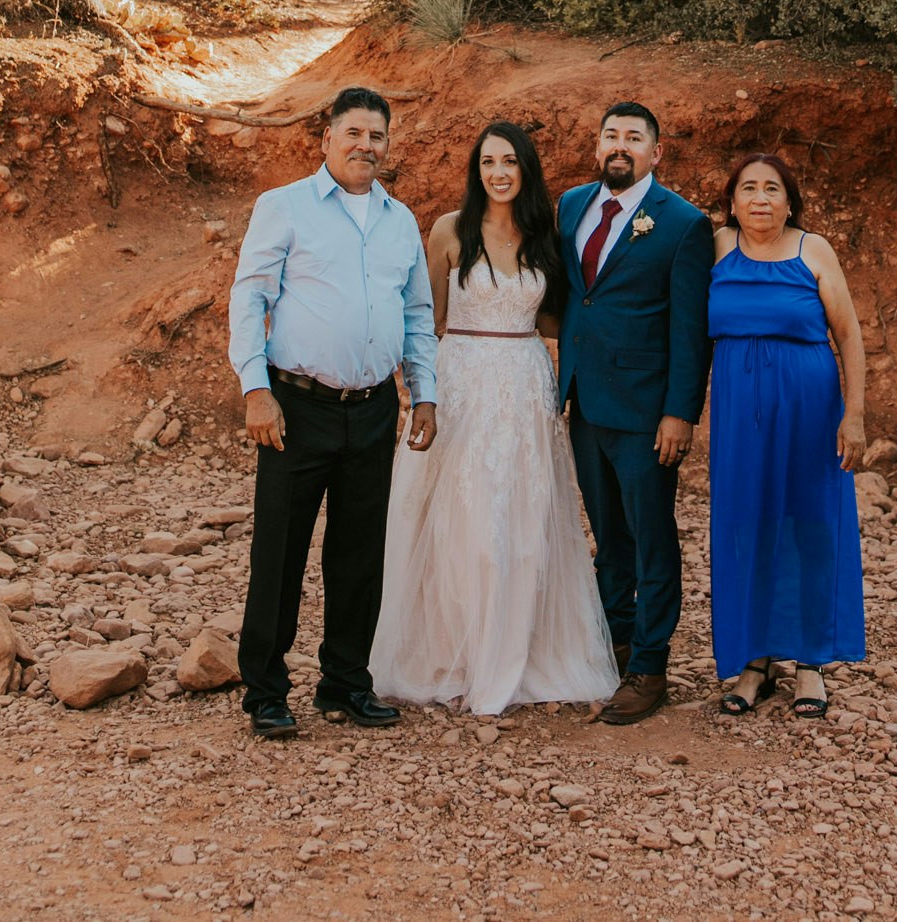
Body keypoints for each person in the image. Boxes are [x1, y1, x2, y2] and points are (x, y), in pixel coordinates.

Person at [372, 122, 618, 714]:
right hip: (461, 382)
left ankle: (519, 648)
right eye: (488, 163)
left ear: (527, 169)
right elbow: (422, 319)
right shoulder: (449, 232)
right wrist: (419, 393)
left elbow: (555, 322)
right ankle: (455, 651)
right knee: (461, 516)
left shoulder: (544, 237)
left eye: (510, 162)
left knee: (523, 515)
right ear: (475, 170)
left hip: (526, 385)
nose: (499, 173)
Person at [228, 85, 438, 739]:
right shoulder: (284, 207)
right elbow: (250, 297)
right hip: (295, 405)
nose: (365, 146)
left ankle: (346, 683)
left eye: (377, 136)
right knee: (280, 552)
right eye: (353, 133)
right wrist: (254, 387)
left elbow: (416, 313)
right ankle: (265, 690)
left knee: (359, 554)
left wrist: (423, 391)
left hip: (374, 408)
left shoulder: (400, 221)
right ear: (326, 138)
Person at [557, 101, 714, 726]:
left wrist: (680, 413)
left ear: (656, 152)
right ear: (597, 146)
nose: (619, 146)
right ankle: (615, 648)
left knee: (651, 539)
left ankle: (651, 668)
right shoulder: (572, 206)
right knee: (607, 538)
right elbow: (576, 298)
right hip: (584, 403)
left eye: (633, 138)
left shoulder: (682, 224)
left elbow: (689, 330)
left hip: (647, 413)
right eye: (610, 136)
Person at [708, 150, 866, 719]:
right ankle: (754, 662)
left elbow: (848, 337)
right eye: (748, 188)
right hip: (737, 412)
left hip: (809, 410)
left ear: (789, 200)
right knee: (745, 524)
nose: (759, 199)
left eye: (771, 189)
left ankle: (808, 663)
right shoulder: (718, 248)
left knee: (810, 526)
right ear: (732, 202)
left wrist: (855, 415)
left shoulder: (812, 249)